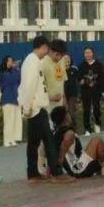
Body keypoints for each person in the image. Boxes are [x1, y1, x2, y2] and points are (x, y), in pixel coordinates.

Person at [20, 36, 72, 183]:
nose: (47, 52)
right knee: (49, 140)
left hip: (36, 107)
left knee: (33, 142)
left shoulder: (33, 61)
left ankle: (32, 173)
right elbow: (28, 87)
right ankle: (57, 172)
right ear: (42, 47)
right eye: (46, 49)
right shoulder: (33, 62)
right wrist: (27, 107)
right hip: (37, 108)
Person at [50, 106, 104, 178]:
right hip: (78, 168)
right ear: (66, 117)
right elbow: (65, 143)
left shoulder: (55, 133)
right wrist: (59, 164)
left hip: (78, 165)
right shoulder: (68, 132)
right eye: (68, 114)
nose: (70, 115)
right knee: (97, 140)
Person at [78, 46, 104, 136]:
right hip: (85, 91)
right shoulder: (82, 65)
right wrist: (81, 81)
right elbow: (79, 78)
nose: (88, 54)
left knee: (96, 107)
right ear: (84, 54)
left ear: (92, 53)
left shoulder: (98, 65)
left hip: (96, 90)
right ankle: (87, 129)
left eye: (89, 52)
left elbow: (102, 78)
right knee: (86, 109)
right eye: (86, 53)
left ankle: (97, 125)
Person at [0, 56, 22, 147]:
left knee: (15, 120)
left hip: (15, 98)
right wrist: (16, 69)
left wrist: (15, 69)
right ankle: (6, 140)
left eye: (12, 61)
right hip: (7, 98)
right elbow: (11, 79)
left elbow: (18, 78)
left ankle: (13, 139)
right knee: (8, 121)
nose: (11, 62)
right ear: (5, 62)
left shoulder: (14, 71)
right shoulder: (3, 72)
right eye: (9, 61)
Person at [42, 39, 68, 111]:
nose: (60, 58)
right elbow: (37, 88)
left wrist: (64, 99)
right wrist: (51, 98)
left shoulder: (61, 60)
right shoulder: (42, 63)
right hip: (46, 106)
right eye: (59, 55)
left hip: (59, 105)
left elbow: (62, 81)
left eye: (62, 56)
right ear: (52, 52)